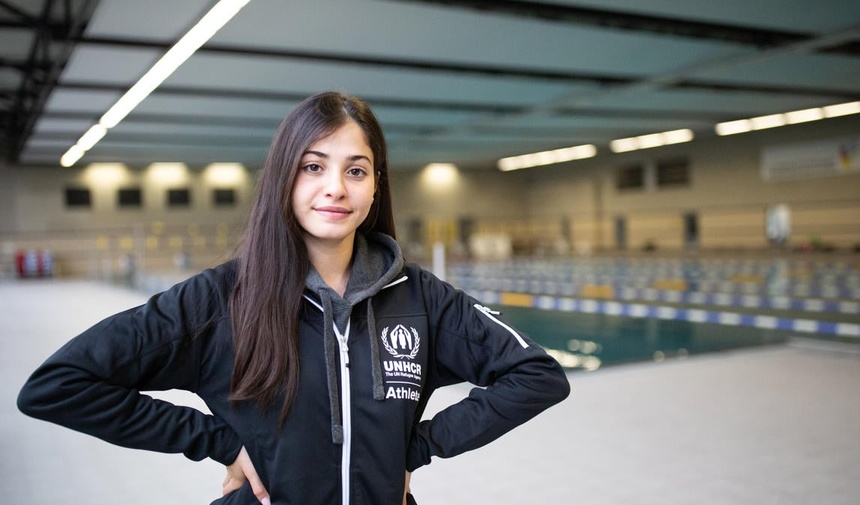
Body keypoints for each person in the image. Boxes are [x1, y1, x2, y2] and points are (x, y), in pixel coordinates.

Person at [17, 91, 570, 505]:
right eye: (313, 167)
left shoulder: (420, 299)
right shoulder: (219, 300)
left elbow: (536, 375)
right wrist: (217, 441)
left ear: (376, 186)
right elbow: (58, 385)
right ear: (284, 177)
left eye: (356, 170)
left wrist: (416, 448)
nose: (336, 187)